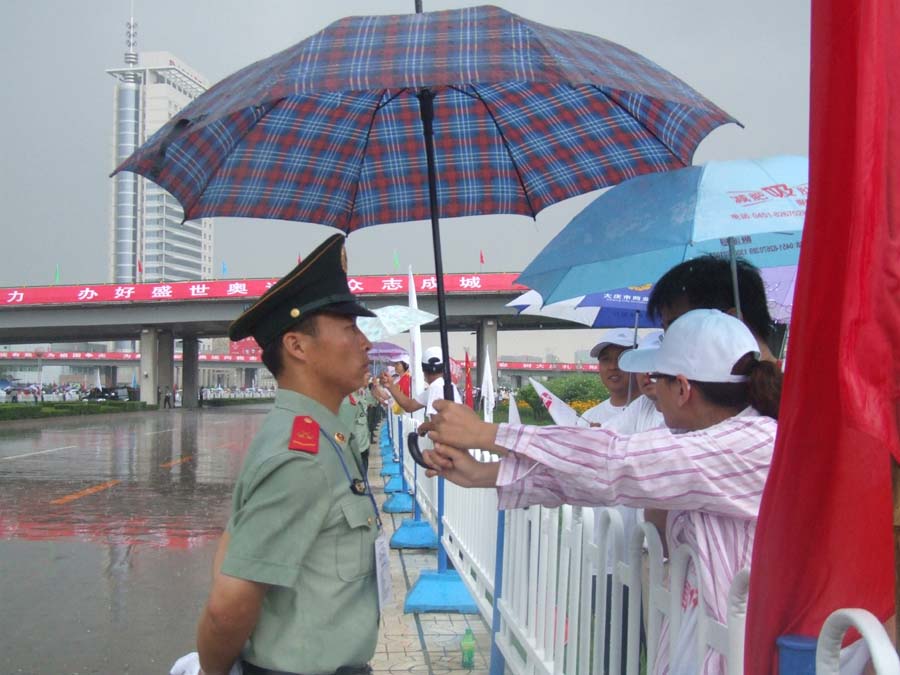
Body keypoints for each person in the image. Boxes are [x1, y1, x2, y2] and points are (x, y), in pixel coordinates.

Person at [421, 309, 783, 675]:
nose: (649, 388)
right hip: (699, 640)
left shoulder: (754, 444)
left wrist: (487, 434)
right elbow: (598, 476)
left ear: (684, 388)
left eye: (657, 378)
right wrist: (482, 473)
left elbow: (615, 462)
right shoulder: (700, 439)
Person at [188, 234, 382, 675]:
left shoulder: (317, 436)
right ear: (297, 346)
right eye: (350, 327)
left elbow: (232, 543)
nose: (366, 342)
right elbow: (228, 605)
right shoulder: (303, 457)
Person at [647, 254, 777, 361]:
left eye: (677, 328)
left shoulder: (792, 390)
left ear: (732, 321)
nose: (668, 346)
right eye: (666, 333)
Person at [581, 327, 640, 425]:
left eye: (622, 358)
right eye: (606, 359)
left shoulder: (659, 413)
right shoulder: (587, 419)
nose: (612, 367)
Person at [380, 345, 461, 416]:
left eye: (397, 364)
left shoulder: (435, 387)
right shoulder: (443, 385)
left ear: (423, 369)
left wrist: (424, 427)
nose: (395, 366)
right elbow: (409, 405)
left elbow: (438, 423)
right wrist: (390, 385)